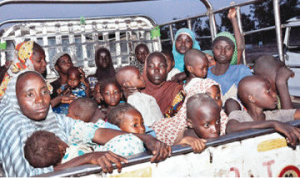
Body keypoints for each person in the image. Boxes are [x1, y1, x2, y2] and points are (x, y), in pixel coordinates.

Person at [0, 70, 171, 177]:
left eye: (44, 91)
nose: (40, 100)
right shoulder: (11, 126)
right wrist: (87, 159)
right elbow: (29, 176)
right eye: (29, 95)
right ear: (16, 99)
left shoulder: (51, 118)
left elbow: (95, 132)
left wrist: (144, 138)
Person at [226, 76, 300, 146]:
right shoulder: (239, 115)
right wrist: (273, 124)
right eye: (268, 91)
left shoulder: (274, 115)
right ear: (251, 98)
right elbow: (231, 128)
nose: (274, 94)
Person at [152, 77, 224, 145]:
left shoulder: (224, 121)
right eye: (207, 97)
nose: (214, 102)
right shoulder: (173, 131)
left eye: (218, 97)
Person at [207, 31, 252, 108]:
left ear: (233, 51)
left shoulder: (241, 71)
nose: (223, 52)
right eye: (218, 48)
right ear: (213, 50)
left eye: (228, 48)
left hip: (237, 114)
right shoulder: (205, 73)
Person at [142, 52, 185, 118]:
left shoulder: (175, 90)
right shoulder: (138, 92)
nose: (156, 70)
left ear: (166, 68)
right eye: (151, 66)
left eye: (161, 66)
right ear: (146, 69)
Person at [24, 130, 93, 168]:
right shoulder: (75, 149)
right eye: (58, 137)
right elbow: (90, 149)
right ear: (60, 146)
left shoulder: (57, 173)